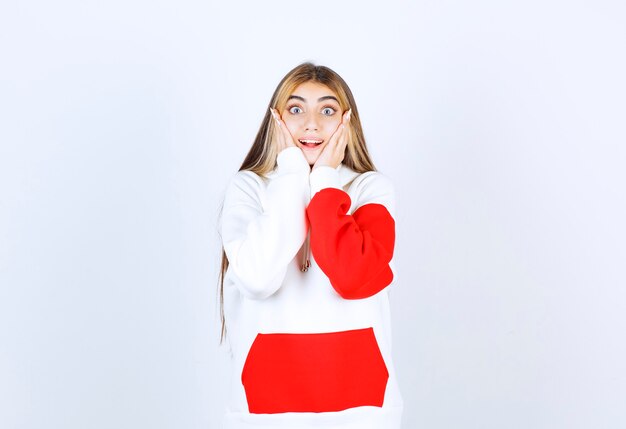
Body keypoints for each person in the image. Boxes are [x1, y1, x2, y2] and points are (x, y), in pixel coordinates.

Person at [217, 62, 403, 429]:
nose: (312, 124)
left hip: (361, 409)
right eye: (296, 109)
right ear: (276, 119)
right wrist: (291, 175)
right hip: (266, 409)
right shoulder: (249, 188)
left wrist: (326, 183)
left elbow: (352, 279)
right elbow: (257, 278)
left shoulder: (371, 190)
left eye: (328, 110)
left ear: (347, 121)